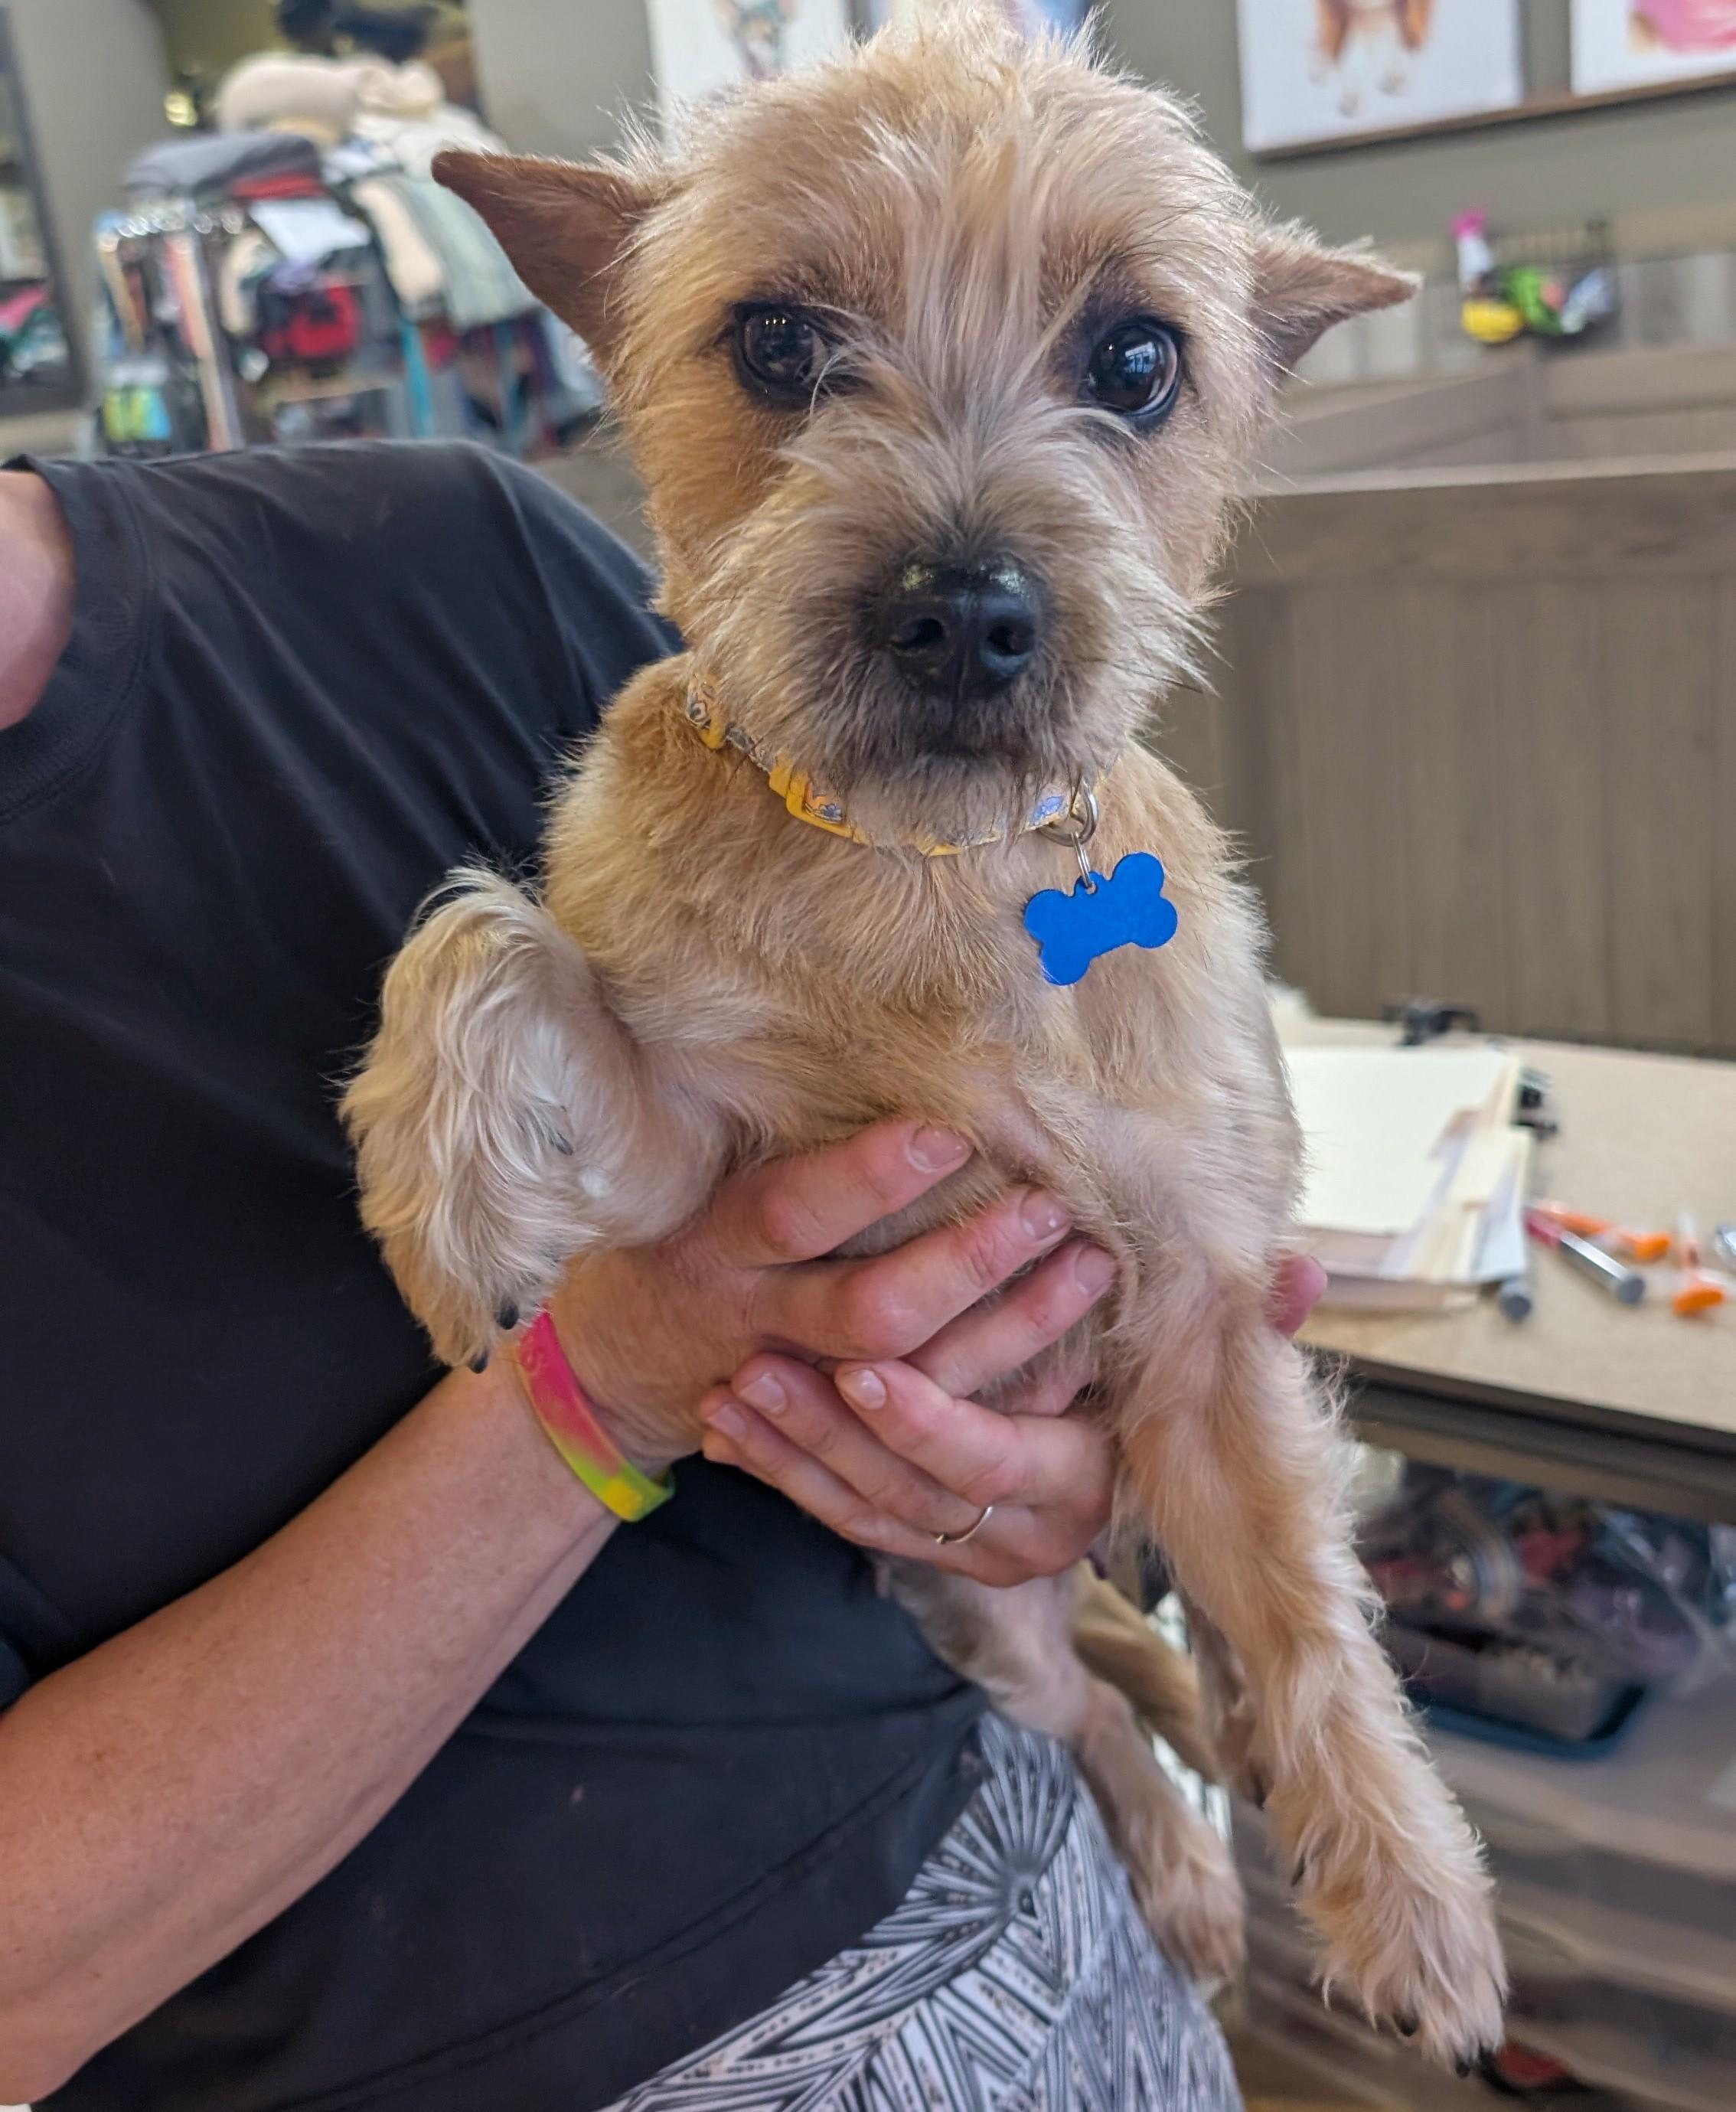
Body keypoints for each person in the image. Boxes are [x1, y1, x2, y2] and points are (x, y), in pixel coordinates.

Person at [0, 440, 1319, 2111]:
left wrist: (1061, 1444)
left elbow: (1067, 955)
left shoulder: (449, 553)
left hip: (1002, 1867)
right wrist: (600, 1380)